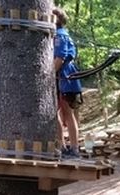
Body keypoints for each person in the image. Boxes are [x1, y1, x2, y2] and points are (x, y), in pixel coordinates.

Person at [53, 8, 82, 159]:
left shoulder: (59, 36)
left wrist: (48, 75)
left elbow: (60, 58)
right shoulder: (60, 35)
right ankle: (63, 146)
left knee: (66, 112)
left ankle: (74, 148)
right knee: (56, 112)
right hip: (62, 77)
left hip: (64, 77)